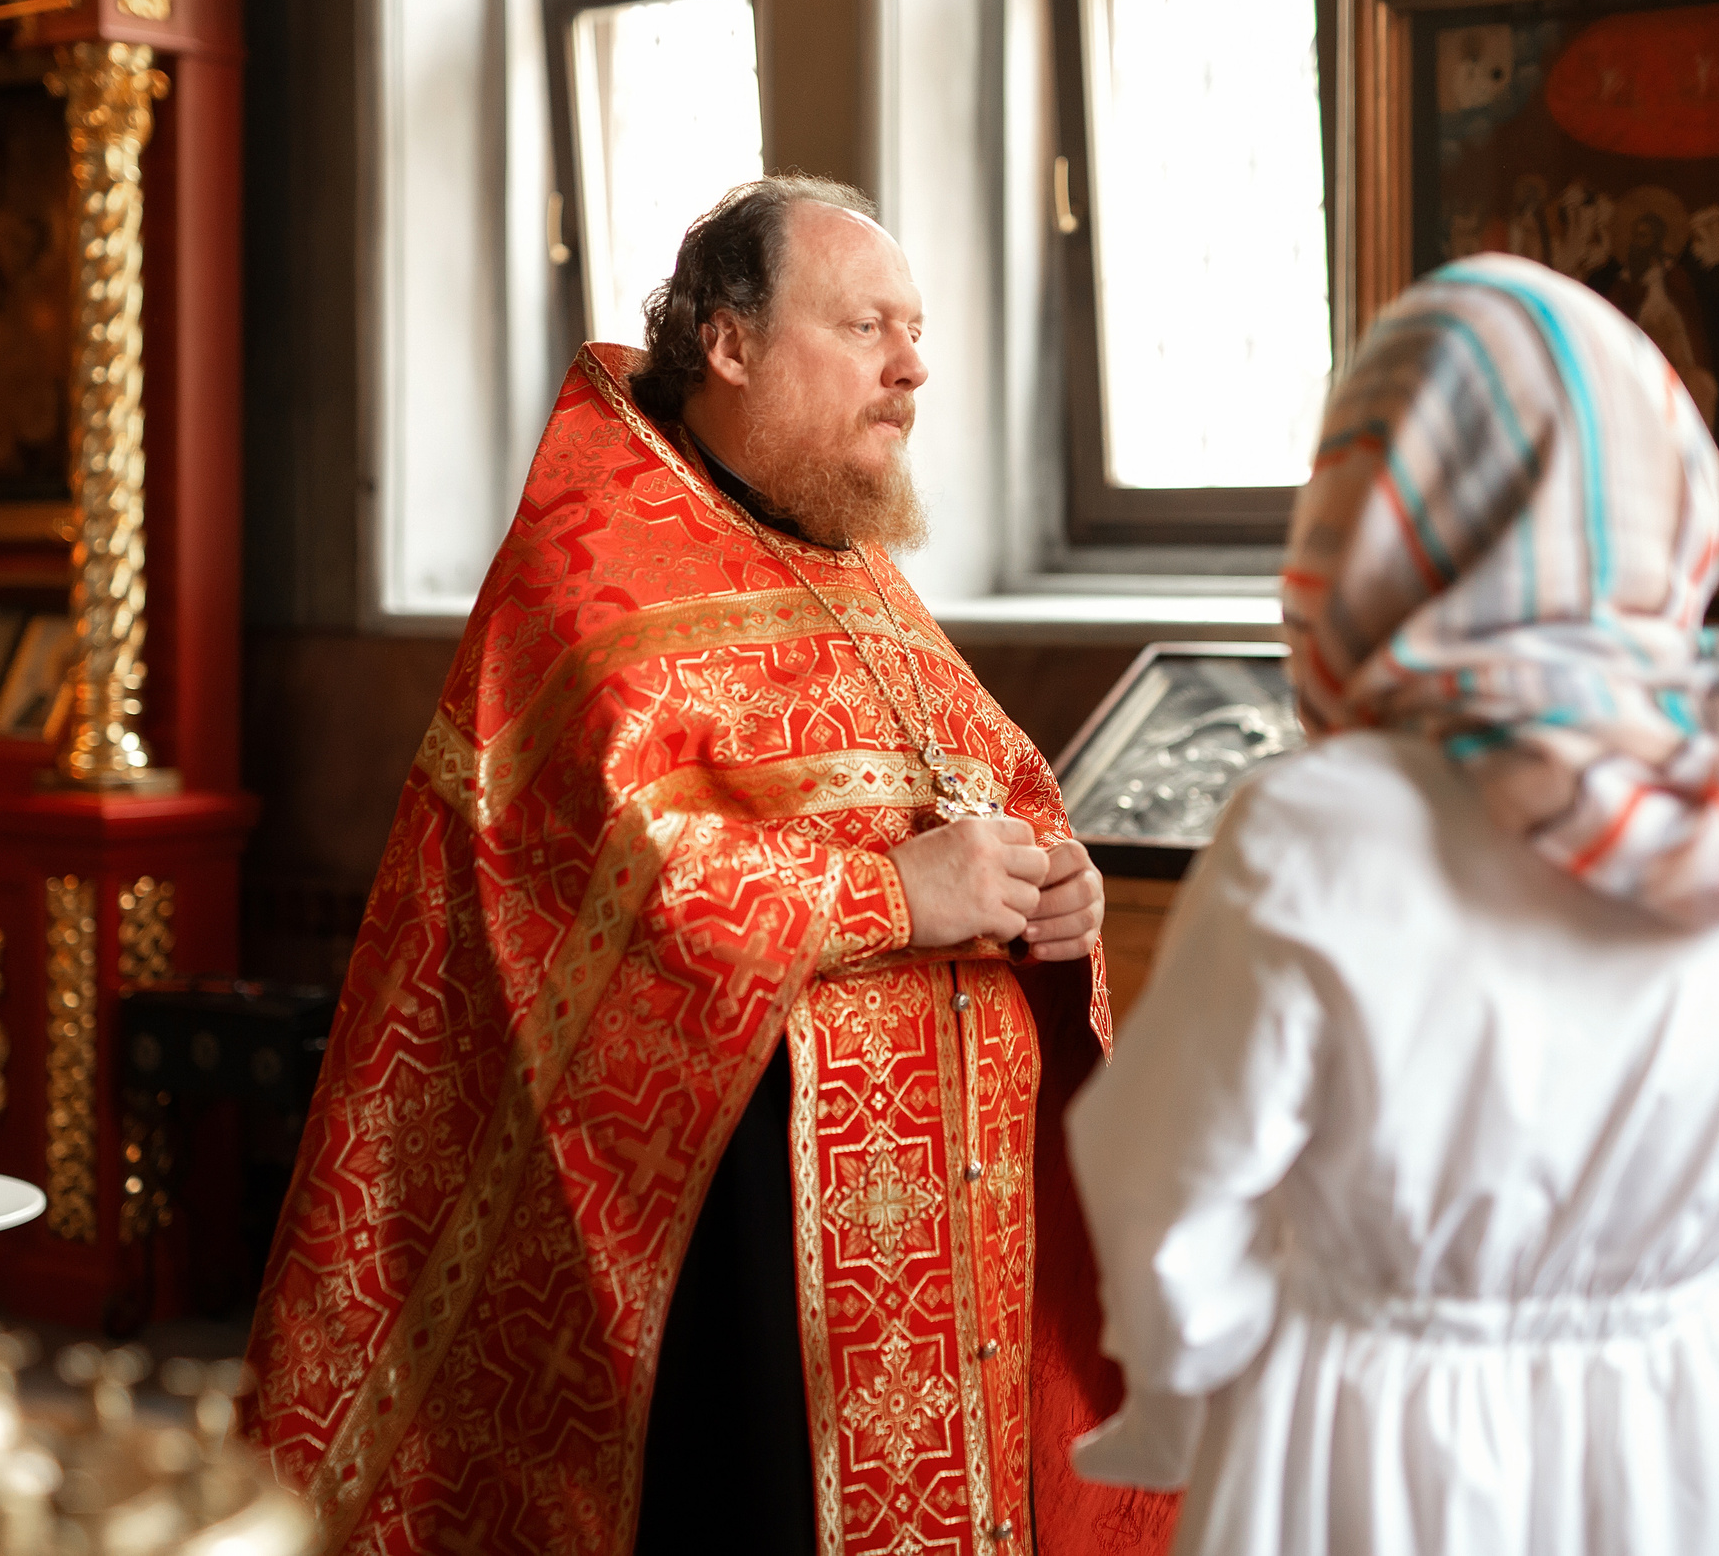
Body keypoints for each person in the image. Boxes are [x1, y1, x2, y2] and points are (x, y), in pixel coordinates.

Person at [243, 176, 1175, 1556]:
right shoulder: (592, 562)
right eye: (868, 327)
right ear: (728, 343)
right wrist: (893, 898)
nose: (913, 367)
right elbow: (607, 881)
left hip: (933, 1226)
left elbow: (1000, 791)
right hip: (723, 1234)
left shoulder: (850, 563)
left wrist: (1063, 892)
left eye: (916, 332)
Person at [1064, 253, 1719, 1554]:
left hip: (1362, 1431)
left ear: (1374, 505)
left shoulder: (1322, 828)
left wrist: (1200, 1383)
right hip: (1681, 1415)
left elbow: (1170, 1188)